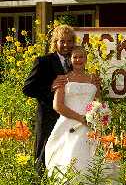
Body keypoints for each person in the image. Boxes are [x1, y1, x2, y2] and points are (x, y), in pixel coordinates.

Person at [22, 25, 100, 176]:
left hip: (74, 120)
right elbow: (28, 88)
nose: (66, 45)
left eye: (69, 41)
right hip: (48, 116)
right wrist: (50, 87)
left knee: (69, 155)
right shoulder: (43, 61)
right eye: (62, 41)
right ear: (55, 42)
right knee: (44, 155)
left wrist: (93, 80)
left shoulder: (75, 60)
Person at [45, 46, 101, 176]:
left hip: (90, 126)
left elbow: (98, 103)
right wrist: (80, 118)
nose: (78, 60)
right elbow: (57, 105)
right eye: (75, 57)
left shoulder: (93, 79)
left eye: (81, 56)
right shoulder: (64, 79)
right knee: (70, 157)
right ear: (70, 60)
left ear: (86, 60)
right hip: (69, 125)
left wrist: (97, 116)